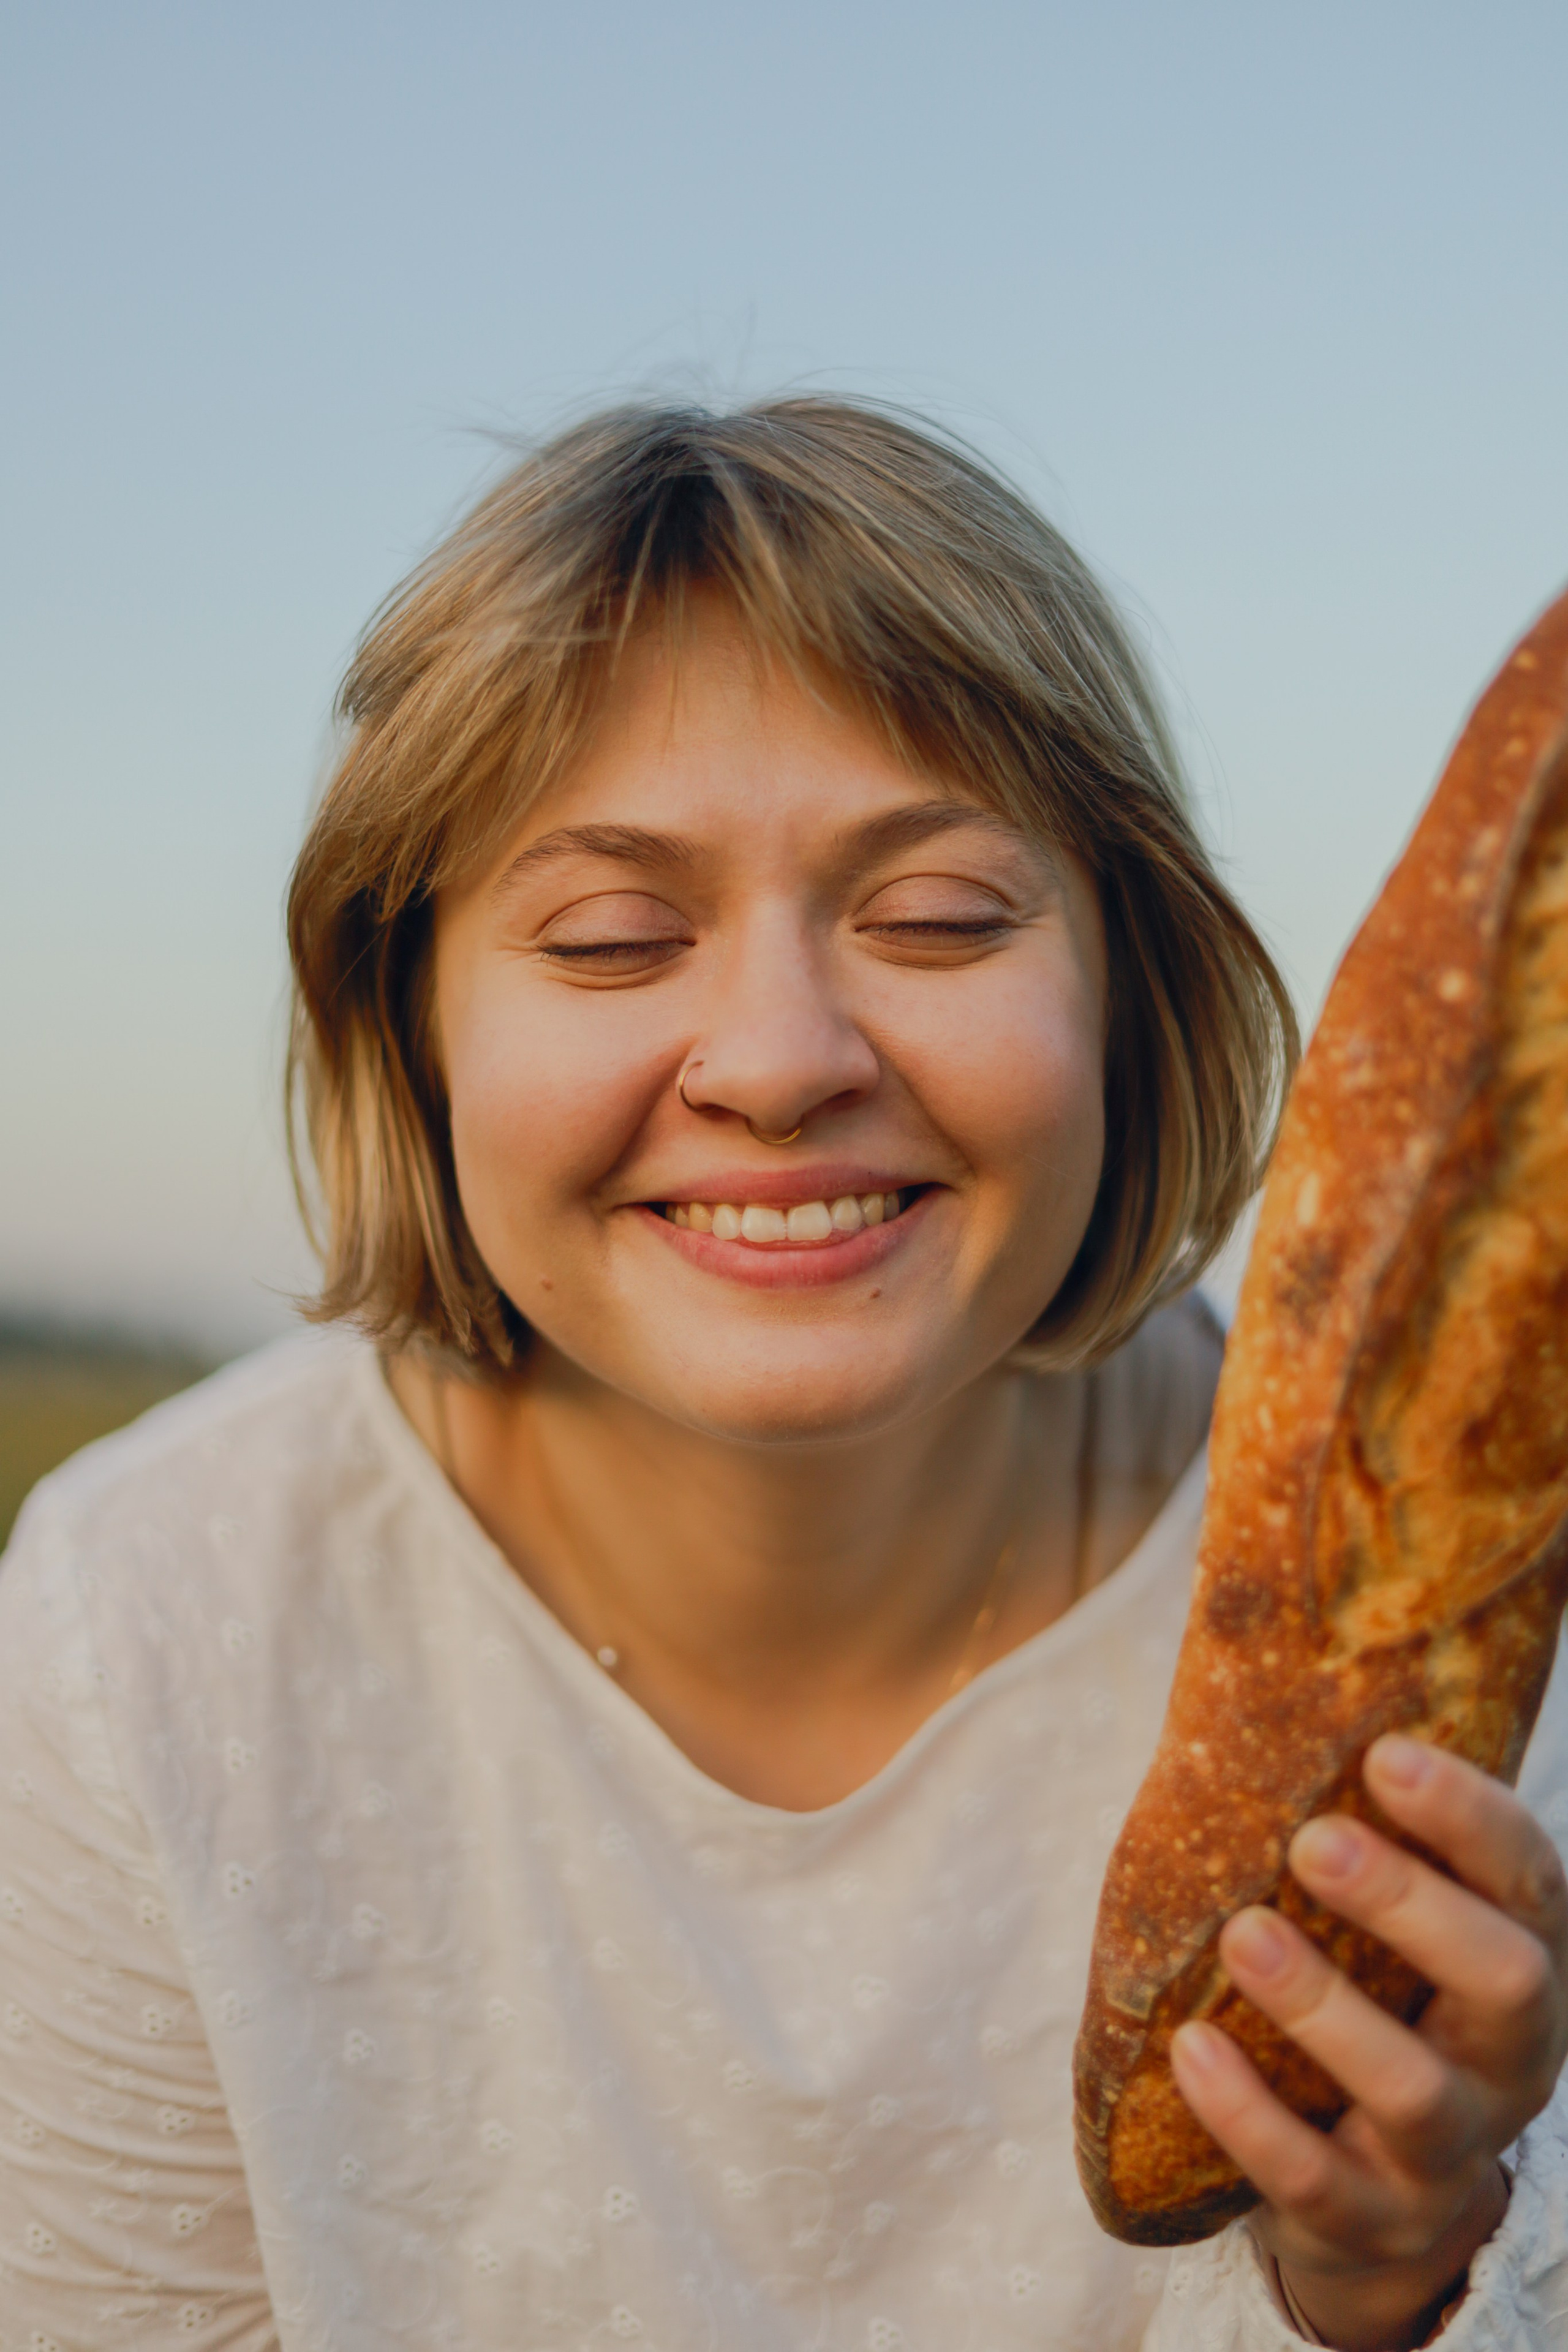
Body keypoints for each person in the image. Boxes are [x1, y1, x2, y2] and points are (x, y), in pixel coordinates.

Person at [1, 401, 1564, 2352]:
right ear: (413, 1033)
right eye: (611, 936)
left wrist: (1378, 2288)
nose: (777, 1055)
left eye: (934, 917)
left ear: (1127, 993)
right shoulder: (137, 1634)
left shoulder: (1465, 1702)